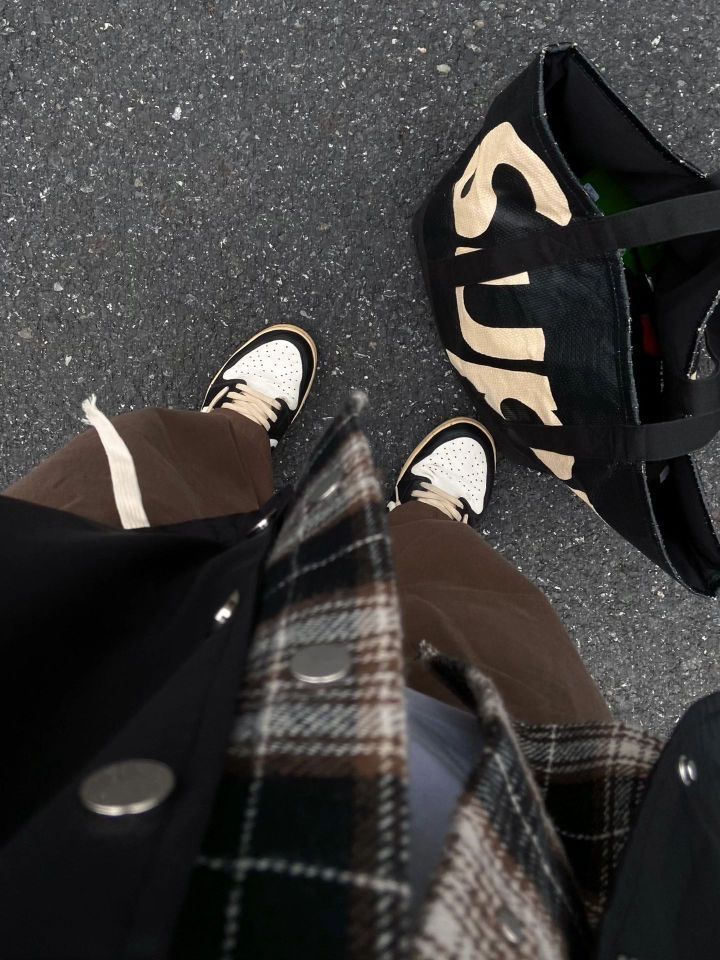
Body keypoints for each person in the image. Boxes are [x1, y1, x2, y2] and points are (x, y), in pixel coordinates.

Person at [0, 324, 715, 959]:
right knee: (471, 631)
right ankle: (425, 527)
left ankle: (230, 439)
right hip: (485, 856)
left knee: (129, 534)